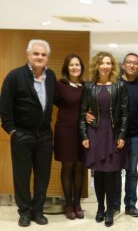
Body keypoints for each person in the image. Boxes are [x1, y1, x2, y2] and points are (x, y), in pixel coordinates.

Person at [0, 39, 56, 227]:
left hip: (45, 136)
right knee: (22, 176)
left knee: (43, 175)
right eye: (36, 54)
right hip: (22, 135)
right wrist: (12, 131)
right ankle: (24, 212)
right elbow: (4, 108)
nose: (40, 57)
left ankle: (38, 211)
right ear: (28, 55)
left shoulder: (52, 76)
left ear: (47, 57)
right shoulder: (15, 76)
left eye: (43, 54)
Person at [79, 51, 128, 227]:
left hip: (113, 133)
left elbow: (125, 114)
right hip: (95, 132)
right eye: (102, 63)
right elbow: (82, 113)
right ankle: (100, 208)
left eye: (108, 63)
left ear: (112, 66)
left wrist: (122, 135)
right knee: (98, 174)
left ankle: (109, 211)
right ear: (96, 66)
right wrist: (84, 134)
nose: (105, 66)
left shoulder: (119, 86)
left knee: (111, 174)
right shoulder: (89, 87)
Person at [113, 53, 138, 216]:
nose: (132, 65)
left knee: (132, 171)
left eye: (135, 63)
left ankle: (130, 205)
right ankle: (114, 205)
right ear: (123, 65)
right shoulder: (115, 84)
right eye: (129, 62)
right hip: (116, 135)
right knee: (115, 170)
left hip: (135, 136)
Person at [54, 54, 85, 220]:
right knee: (67, 167)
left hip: (82, 131)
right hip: (65, 130)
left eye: (77, 65)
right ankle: (68, 204)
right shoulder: (59, 85)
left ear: (81, 67)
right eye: (72, 65)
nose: (75, 67)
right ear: (67, 68)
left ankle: (77, 203)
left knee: (80, 167)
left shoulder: (85, 86)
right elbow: (55, 102)